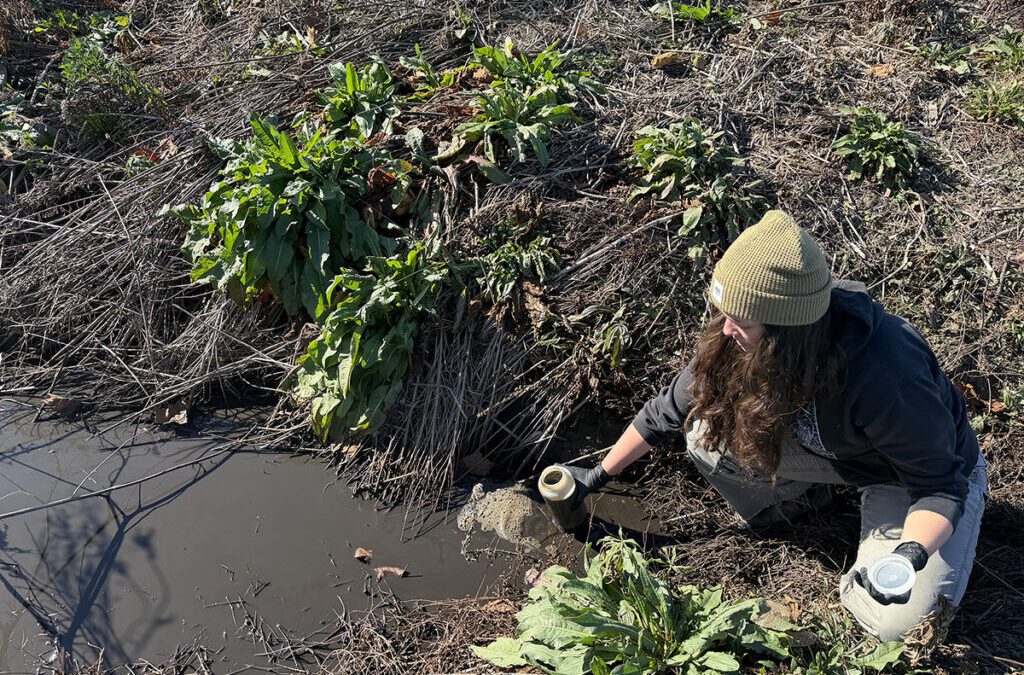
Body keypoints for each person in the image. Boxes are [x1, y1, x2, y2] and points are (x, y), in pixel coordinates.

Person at [564, 210, 987, 642]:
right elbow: (666, 411)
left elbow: (939, 487)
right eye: (725, 315)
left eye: (741, 322)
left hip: (917, 483)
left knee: (898, 625)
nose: (727, 330)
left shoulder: (886, 372)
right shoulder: (743, 334)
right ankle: (798, 505)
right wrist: (596, 476)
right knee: (703, 437)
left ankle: (870, 565)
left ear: (788, 331)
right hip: (843, 455)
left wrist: (907, 556)